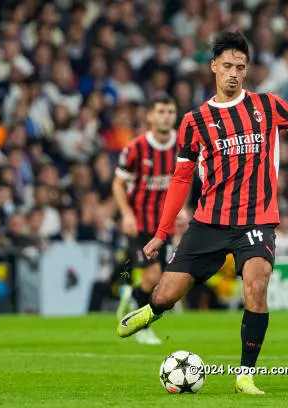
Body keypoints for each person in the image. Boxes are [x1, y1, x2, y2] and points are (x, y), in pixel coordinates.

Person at [116, 30, 288, 394]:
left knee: (256, 287)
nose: (233, 72)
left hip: (257, 221)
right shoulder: (194, 122)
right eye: (227, 65)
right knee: (167, 293)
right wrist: (161, 232)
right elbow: (181, 180)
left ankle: (245, 374)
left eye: (240, 67)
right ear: (214, 67)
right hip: (209, 222)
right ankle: (151, 310)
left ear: (247, 71)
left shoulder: (267, 106)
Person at [112, 95, 178, 345]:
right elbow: (118, 184)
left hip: (164, 225)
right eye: (160, 111)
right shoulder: (135, 148)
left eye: (170, 112)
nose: (166, 116)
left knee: (160, 279)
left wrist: (181, 210)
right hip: (138, 223)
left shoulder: (181, 146)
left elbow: (182, 183)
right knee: (152, 276)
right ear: (150, 116)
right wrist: (126, 213)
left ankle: (131, 297)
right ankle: (142, 329)